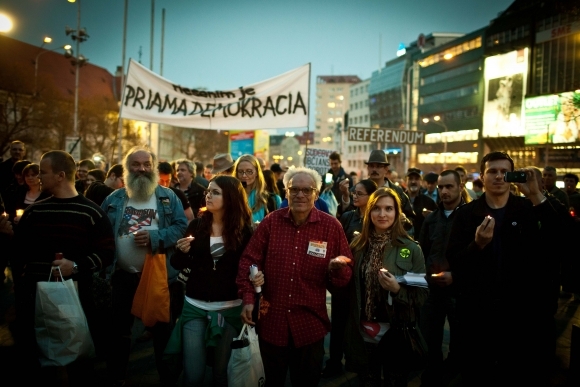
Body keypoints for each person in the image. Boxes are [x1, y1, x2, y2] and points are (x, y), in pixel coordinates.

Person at [446, 152, 566, 386]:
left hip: (521, 314)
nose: (499, 176)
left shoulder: (527, 209)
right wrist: (477, 244)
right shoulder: (466, 215)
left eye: (505, 172)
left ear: (512, 176)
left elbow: (561, 238)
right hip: (479, 314)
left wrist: (536, 195)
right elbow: (455, 261)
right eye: (492, 171)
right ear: (482, 176)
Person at [236, 166, 353, 387]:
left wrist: (338, 268)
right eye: (294, 189)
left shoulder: (331, 227)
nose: (300, 194)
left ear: (316, 194)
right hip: (272, 322)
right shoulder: (271, 222)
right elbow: (248, 260)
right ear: (286, 192)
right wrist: (248, 298)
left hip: (309, 324)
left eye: (307, 190)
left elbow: (344, 275)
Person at [12, 150, 115, 385]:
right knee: (38, 363)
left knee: (79, 364)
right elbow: (18, 254)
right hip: (35, 300)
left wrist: (76, 266)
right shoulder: (35, 212)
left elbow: (107, 253)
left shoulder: (92, 213)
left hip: (77, 300)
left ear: (60, 175)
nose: (39, 177)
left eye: (43, 172)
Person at [101, 146, 188, 386]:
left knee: (162, 332)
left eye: (146, 164)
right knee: (119, 331)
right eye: (135, 164)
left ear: (154, 166)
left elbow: (182, 227)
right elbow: (102, 233)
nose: (141, 169)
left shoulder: (168, 197)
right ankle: (117, 376)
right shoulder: (114, 198)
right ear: (127, 168)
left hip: (158, 277)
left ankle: (167, 379)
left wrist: (155, 237)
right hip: (122, 277)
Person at [166, 176, 254, 386]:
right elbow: (178, 264)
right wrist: (181, 251)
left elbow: (250, 268)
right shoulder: (197, 225)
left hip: (229, 309)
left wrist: (256, 276)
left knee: (221, 373)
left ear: (230, 198)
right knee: (193, 374)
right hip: (195, 306)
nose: (208, 195)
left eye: (215, 192)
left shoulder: (243, 231)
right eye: (208, 191)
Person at [345, 187, 427, 386]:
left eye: (388, 209)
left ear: (397, 213)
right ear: (369, 212)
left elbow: (422, 296)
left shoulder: (411, 248)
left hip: (396, 333)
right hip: (363, 332)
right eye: (377, 209)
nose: (382, 214)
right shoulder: (357, 246)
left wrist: (397, 290)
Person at [322, 179, 378, 378]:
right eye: (354, 192)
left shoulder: (376, 218)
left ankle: (360, 363)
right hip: (345, 278)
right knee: (338, 323)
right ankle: (335, 361)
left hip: (365, 281)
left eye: (360, 193)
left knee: (361, 324)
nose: (355, 196)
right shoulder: (347, 217)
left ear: (372, 196)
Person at [418, 170, 466, 387]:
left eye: (449, 187)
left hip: (459, 290)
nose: (444, 191)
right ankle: (432, 371)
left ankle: (453, 371)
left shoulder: (469, 216)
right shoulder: (432, 219)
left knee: (460, 338)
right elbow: (423, 251)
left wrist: (456, 276)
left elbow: (477, 256)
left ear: (460, 187)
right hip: (432, 289)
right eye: (441, 187)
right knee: (430, 336)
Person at [234, 154, 277, 222]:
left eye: (249, 171)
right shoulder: (230, 197)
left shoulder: (269, 199)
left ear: (256, 172)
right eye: (240, 172)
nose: (244, 175)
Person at [405, 168, 437, 238]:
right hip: (402, 242)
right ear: (406, 181)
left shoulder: (428, 202)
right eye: (410, 179)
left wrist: (431, 216)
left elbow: (438, 222)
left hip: (421, 243)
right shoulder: (399, 200)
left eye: (416, 179)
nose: (413, 181)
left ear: (421, 182)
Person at [328, 152, 353, 217]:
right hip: (328, 209)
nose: (333, 166)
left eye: (335, 163)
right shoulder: (326, 177)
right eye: (331, 163)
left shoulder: (347, 178)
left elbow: (351, 195)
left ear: (340, 163)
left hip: (343, 211)